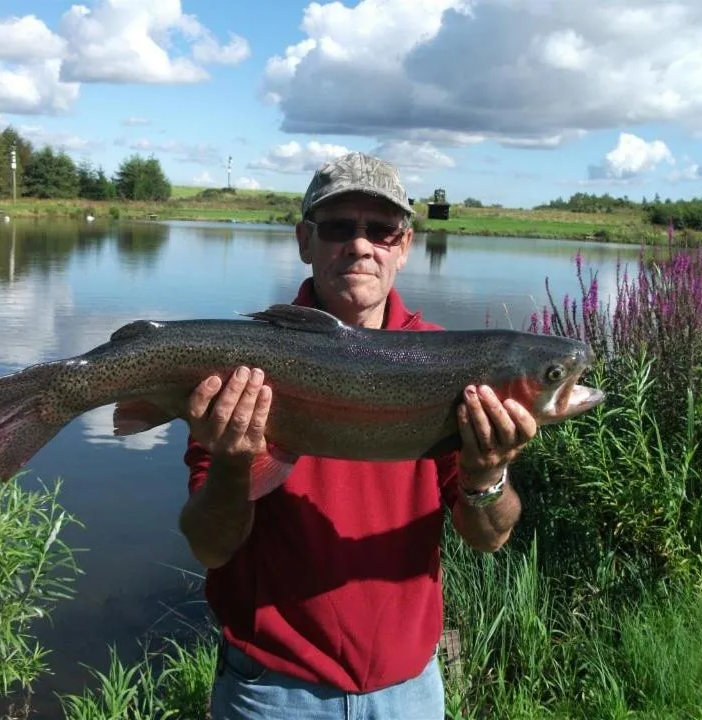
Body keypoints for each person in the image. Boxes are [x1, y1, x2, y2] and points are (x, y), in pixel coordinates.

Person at [179, 152, 537, 719]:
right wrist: (230, 464)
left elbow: (487, 537)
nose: (361, 246)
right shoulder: (246, 364)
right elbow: (209, 545)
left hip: (410, 693)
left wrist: (487, 475)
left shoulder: (449, 363)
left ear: (405, 245)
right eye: (340, 228)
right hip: (271, 692)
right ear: (305, 241)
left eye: (382, 230)